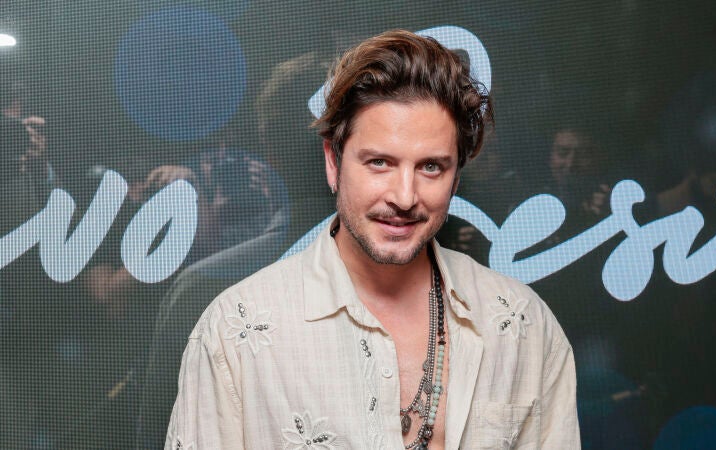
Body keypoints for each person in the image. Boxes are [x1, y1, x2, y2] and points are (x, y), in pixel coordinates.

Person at [166, 29, 579, 449]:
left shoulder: (524, 326)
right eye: (379, 162)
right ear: (333, 162)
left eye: (431, 167)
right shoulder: (234, 332)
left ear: (456, 177)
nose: (405, 197)